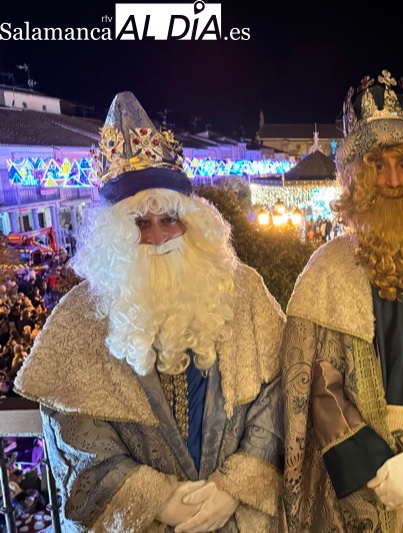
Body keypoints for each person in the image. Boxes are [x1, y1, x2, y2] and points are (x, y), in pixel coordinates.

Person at [14, 92, 285, 532]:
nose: (158, 236)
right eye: (140, 224)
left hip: (237, 518)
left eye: (169, 220)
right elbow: (76, 437)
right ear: (116, 236)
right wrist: (158, 501)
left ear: (192, 224)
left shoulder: (245, 291)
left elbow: (277, 396)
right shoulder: (79, 318)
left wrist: (233, 487)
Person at [281, 70, 403, 532]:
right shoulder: (326, 268)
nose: (394, 179)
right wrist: (373, 463)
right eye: (379, 164)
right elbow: (316, 378)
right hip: (355, 484)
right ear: (357, 175)